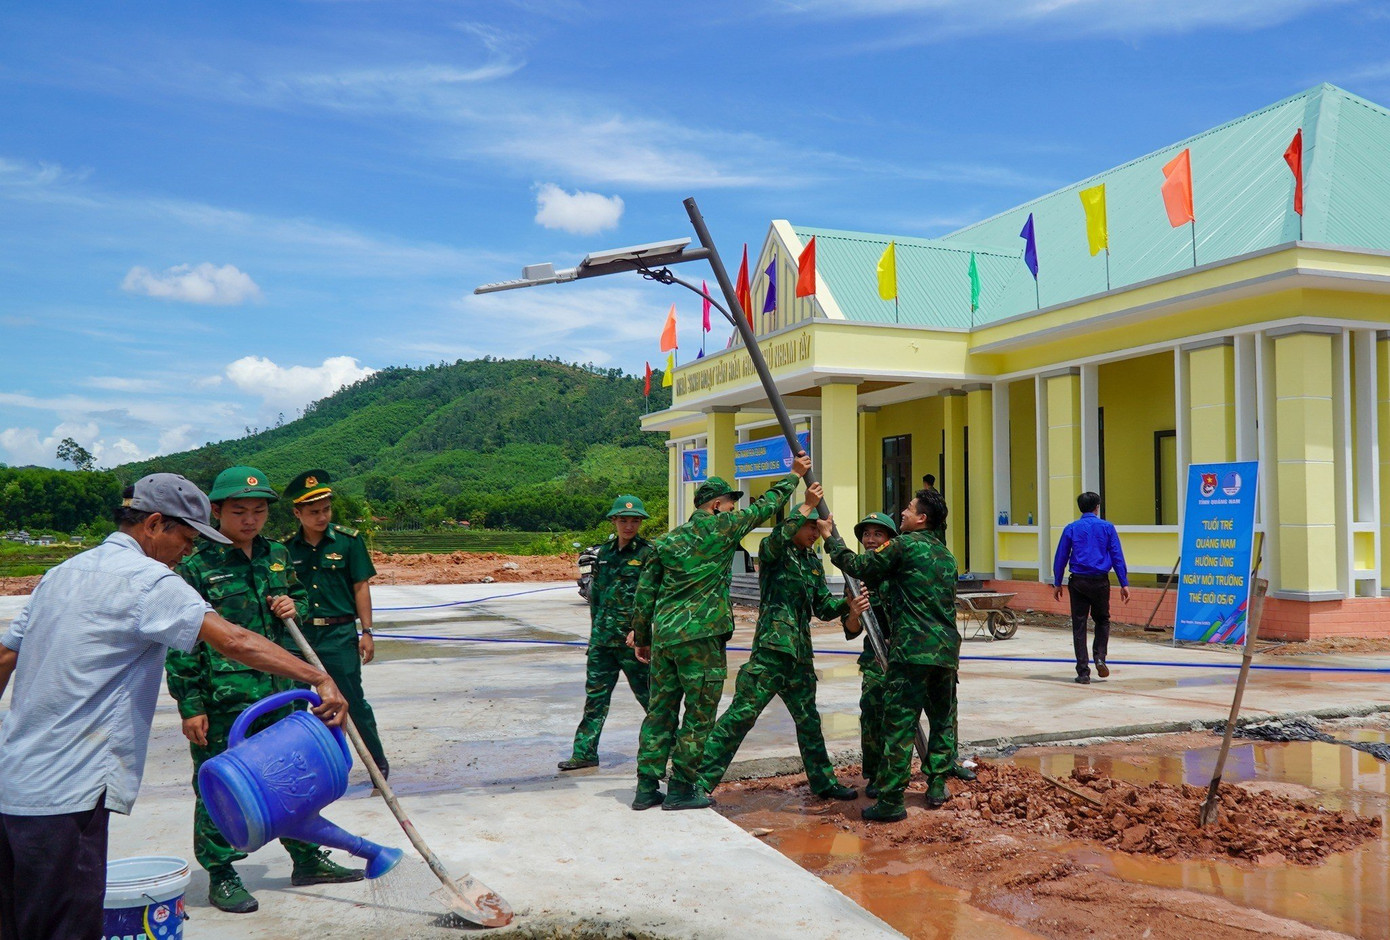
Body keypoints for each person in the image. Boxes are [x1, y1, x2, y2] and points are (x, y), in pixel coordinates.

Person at [0, 473, 347, 940]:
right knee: (64, 925)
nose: (188, 550)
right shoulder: (150, 581)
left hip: (14, 781)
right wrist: (319, 677)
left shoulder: (62, 573)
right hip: (69, 790)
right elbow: (236, 641)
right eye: (185, 536)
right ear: (154, 524)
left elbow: (5, 655)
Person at [166, 467, 362, 915]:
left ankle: (307, 857)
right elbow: (182, 643)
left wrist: (296, 604)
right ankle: (221, 872)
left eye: (258, 511)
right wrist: (190, 705)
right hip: (223, 699)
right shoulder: (196, 566)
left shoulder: (275, 554)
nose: (250, 520)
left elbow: (301, 604)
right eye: (239, 512)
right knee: (218, 786)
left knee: (292, 777)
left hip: (280, 694)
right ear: (216, 511)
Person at [629, 453, 811, 812]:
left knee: (659, 712)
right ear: (715, 505)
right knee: (699, 714)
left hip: (666, 639)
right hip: (702, 639)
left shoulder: (665, 542)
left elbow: (644, 595)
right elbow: (765, 507)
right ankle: (681, 787)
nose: (732, 510)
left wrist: (644, 638)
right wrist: (794, 476)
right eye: (729, 504)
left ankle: (646, 787)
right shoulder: (723, 527)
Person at [698, 483, 869, 800]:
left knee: (809, 723)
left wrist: (848, 604)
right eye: (809, 527)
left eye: (818, 529)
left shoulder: (812, 562)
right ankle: (699, 781)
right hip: (771, 652)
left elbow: (822, 608)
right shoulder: (773, 550)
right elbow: (776, 539)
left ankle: (823, 783)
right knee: (741, 717)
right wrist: (806, 504)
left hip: (800, 655)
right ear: (794, 523)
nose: (815, 534)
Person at [826, 488, 961, 821]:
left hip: (911, 650)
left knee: (899, 724)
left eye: (909, 508)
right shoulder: (946, 555)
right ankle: (937, 782)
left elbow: (858, 564)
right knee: (942, 718)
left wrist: (831, 540)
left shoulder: (904, 545)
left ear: (922, 518)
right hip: (945, 650)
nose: (903, 511)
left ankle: (890, 800)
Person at [281, 469, 387, 780]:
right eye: (313, 511)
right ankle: (300, 767)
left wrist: (366, 631)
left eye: (326, 509)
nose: (321, 516)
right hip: (298, 638)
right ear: (297, 512)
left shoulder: (348, 542)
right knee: (293, 703)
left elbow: (360, 586)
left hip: (339, 635)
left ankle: (376, 764)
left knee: (351, 700)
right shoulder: (285, 549)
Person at [558, 494, 654, 771]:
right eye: (623, 520)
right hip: (602, 642)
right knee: (595, 700)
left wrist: (641, 631)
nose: (629, 526)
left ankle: (668, 747)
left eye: (634, 520)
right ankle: (585, 752)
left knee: (651, 698)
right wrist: (595, 635)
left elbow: (652, 597)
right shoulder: (603, 554)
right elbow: (596, 597)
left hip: (632, 643)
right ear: (614, 521)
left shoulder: (648, 553)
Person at [841, 511, 897, 797]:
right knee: (873, 712)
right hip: (874, 655)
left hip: (904, 652)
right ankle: (875, 775)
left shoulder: (900, 568)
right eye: (866, 534)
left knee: (902, 716)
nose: (871, 540)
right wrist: (854, 611)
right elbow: (851, 629)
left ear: (889, 539)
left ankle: (902, 773)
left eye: (878, 534)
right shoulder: (856, 576)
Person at [1052, 491, 1130, 685]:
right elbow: (1116, 555)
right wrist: (1124, 583)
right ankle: (1100, 657)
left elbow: (1061, 556)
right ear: (1097, 507)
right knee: (1102, 620)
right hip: (1100, 581)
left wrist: (1057, 582)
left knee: (1079, 625)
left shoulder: (1071, 528)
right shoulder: (1107, 527)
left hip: (1078, 581)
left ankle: (1083, 672)